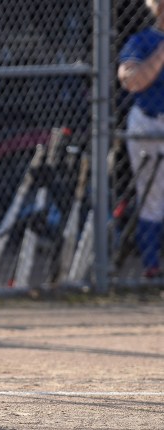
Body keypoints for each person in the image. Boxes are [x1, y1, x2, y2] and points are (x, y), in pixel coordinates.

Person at [118, 0, 164, 278]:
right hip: (148, 122)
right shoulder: (144, 40)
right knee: (152, 197)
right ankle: (151, 267)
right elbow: (132, 80)